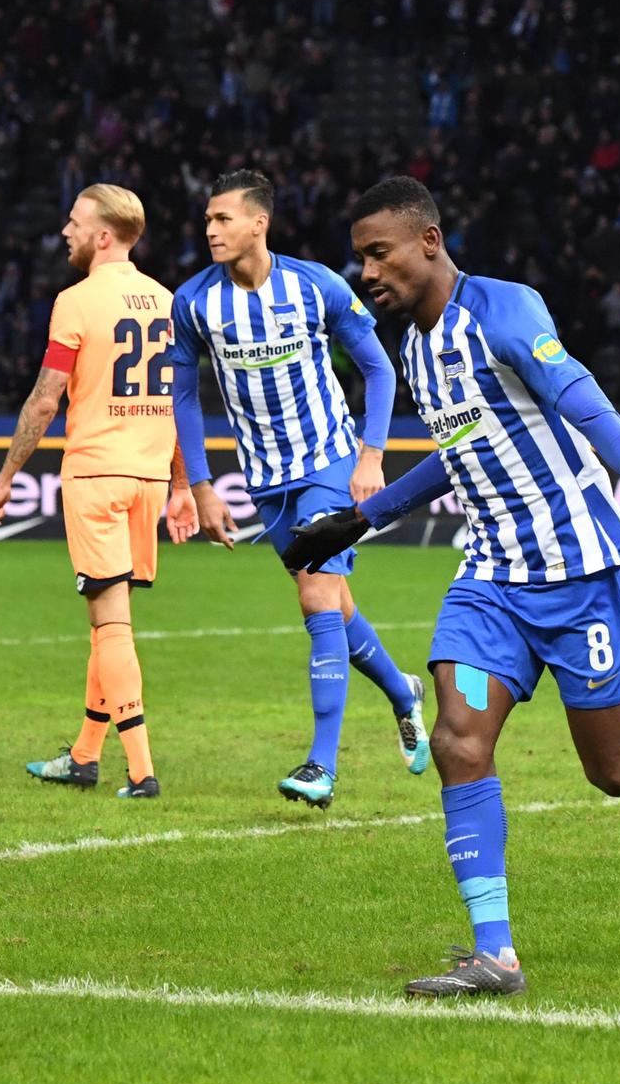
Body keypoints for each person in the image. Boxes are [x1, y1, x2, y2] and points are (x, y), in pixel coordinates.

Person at [284, 176, 620, 998]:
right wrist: (364, 519)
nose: (366, 272)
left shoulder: (505, 310)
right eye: (360, 258)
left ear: (428, 240)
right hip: (491, 576)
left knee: (618, 768)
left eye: (377, 252)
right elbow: (461, 453)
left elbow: (581, 400)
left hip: (580, 573)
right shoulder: (418, 350)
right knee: (460, 740)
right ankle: (495, 954)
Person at [170, 169, 428, 809]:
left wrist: (370, 457)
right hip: (264, 479)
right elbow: (181, 395)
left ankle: (322, 765)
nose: (210, 229)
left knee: (316, 600)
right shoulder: (194, 301)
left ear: (260, 223)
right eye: (207, 220)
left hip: (329, 462)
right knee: (335, 604)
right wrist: (199, 485)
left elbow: (377, 365)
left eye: (223, 218)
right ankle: (402, 692)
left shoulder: (316, 285)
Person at [0, 184, 192, 799]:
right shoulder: (167, 301)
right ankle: (83, 755)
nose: (65, 232)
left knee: (111, 624)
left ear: (104, 235)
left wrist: (5, 477)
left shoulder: (75, 301)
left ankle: (142, 771)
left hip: (97, 474)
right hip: (149, 477)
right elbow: (179, 401)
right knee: (108, 623)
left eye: (74, 223)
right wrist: (181, 483)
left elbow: (47, 398)